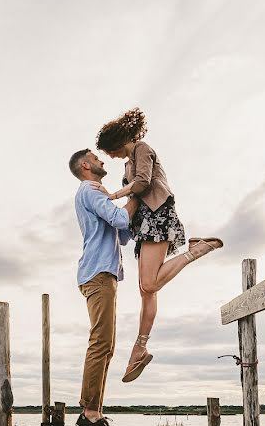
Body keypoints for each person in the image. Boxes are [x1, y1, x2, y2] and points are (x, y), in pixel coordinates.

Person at [95, 108, 223, 383]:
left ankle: (196, 250)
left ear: (117, 142)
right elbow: (134, 195)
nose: (110, 156)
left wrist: (114, 195)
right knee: (146, 290)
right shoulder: (127, 164)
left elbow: (142, 184)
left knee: (150, 285)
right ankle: (139, 349)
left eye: (110, 151)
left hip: (158, 215)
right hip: (143, 224)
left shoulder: (142, 149)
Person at [68, 148, 139, 426]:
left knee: (106, 344)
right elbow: (121, 221)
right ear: (85, 165)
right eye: (95, 158)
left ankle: (94, 410)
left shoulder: (100, 192)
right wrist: (135, 193)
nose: (101, 160)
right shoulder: (90, 190)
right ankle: (89, 412)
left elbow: (122, 234)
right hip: (98, 274)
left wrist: (127, 203)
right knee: (100, 342)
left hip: (102, 273)